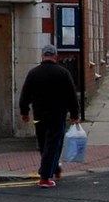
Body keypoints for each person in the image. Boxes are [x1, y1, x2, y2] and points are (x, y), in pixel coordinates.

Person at [19, 44, 81, 188]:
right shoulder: (63, 73)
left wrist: (24, 112)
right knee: (54, 144)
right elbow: (71, 96)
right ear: (55, 56)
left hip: (39, 115)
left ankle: (55, 169)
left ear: (42, 56)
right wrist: (74, 115)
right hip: (57, 115)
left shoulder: (33, 73)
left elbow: (25, 95)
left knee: (43, 144)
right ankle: (45, 177)